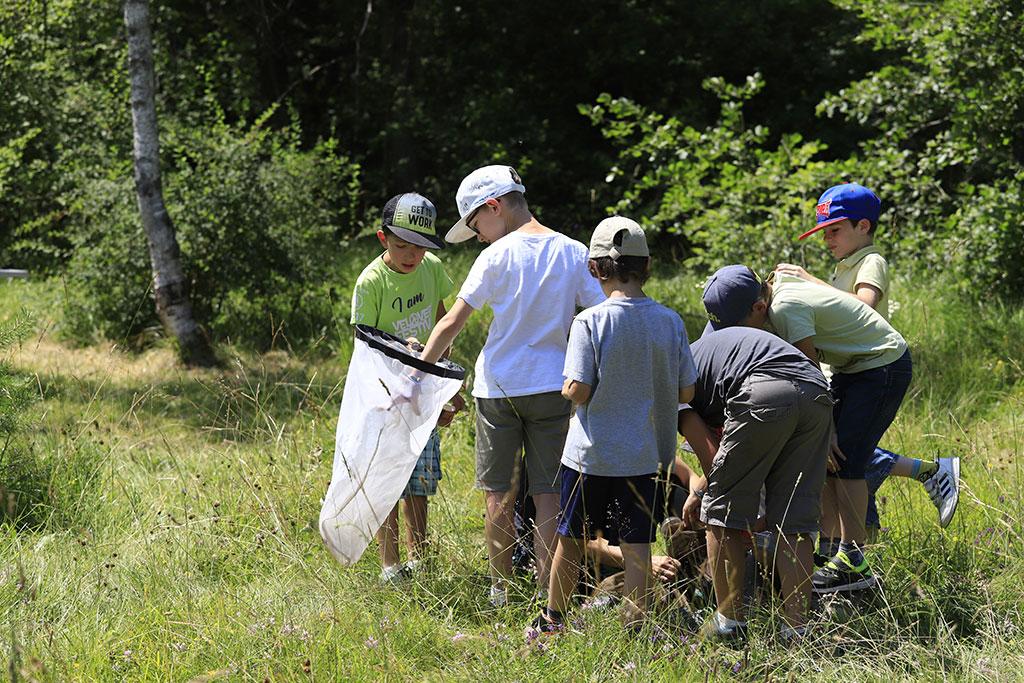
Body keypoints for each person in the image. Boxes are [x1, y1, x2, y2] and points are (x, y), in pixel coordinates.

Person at [417, 165, 605, 606]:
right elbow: (600, 315)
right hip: (554, 389)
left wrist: (419, 373)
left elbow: (451, 322)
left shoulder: (496, 256)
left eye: (476, 224)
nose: (479, 236)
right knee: (549, 496)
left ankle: (501, 591)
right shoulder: (572, 251)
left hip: (499, 390)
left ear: (494, 207)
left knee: (499, 494)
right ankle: (548, 595)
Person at [702, 264, 911, 594]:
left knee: (847, 462)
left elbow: (809, 370)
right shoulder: (769, 302)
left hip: (880, 364)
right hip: (854, 367)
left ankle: (853, 560)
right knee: (834, 465)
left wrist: (827, 429)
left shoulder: (783, 310)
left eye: (739, 327)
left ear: (758, 308)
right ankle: (832, 553)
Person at [533, 216, 697, 631]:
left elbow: (579, 390)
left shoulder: (590, 322)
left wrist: (568, 385)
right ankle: (635, 629)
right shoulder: (670, 321)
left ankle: (552, 621)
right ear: (647, 267)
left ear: (595, 268)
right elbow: (686, 394)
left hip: (591, 457)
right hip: (645, 457)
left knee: (569, 543)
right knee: (638, 547)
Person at [776, 183, 959, 536]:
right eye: (824, 233)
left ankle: (855, 549)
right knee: (837, 456)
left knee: (848, 459)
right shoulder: (844, 264)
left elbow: (862, 305)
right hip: (848, 369)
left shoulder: (871, 261)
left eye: (835, 231)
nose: (828, 240)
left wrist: (810, 282)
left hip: (874, 367)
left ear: (864, 226)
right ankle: (846, 543)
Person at [678, 272, 833, 639]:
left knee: (721, 512)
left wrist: (703, 495)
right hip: (816, 392)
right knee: (793, 520)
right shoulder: (756, 338)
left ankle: (729, 626)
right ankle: (797, 631)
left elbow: (711, 456)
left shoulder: (678, 374)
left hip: (763, 390)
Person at [350, 192, 462, 584]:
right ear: (383, 239)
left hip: (423, 392)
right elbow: (366, 344)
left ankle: (420, 558)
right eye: (401, 246)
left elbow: (442, 320)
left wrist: (442, 383)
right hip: (383, 395)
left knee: (420, 481)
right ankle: (389, 565)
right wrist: (407, 354)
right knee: (386, 480)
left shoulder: (431, 269)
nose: (411, 255)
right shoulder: (371, 282)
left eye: (419, 247)